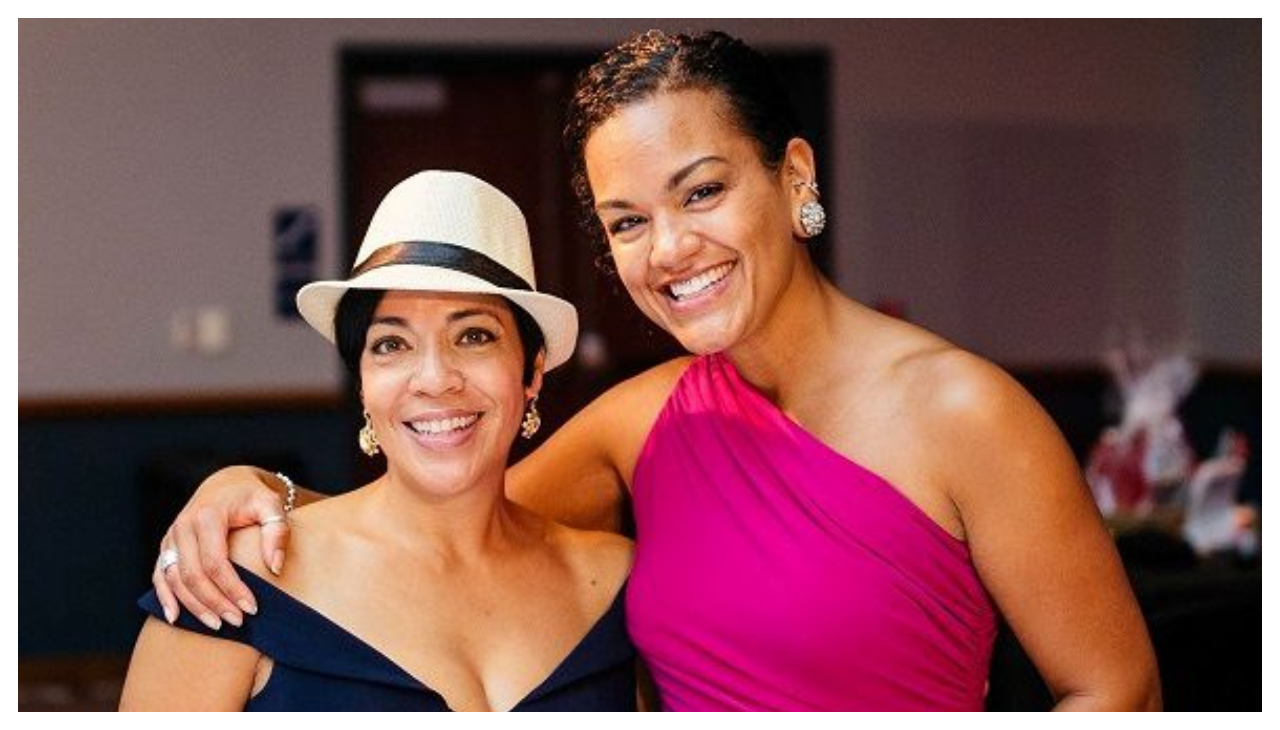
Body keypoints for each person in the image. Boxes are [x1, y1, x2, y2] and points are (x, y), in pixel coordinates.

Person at [150, 31, 1161, 710]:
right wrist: (252, 489)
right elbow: (431, 540)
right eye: (628, 221)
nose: (668, 248)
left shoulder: (964, 411)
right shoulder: (642, 425)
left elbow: (1116, 692)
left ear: (793, 175)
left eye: (702, 191)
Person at [119, 170, 635, 711]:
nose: (435, 378)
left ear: (531, 373)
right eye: (392, 344)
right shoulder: (233, 577)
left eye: (474, 336)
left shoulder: (614, 583)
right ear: (363, 385)